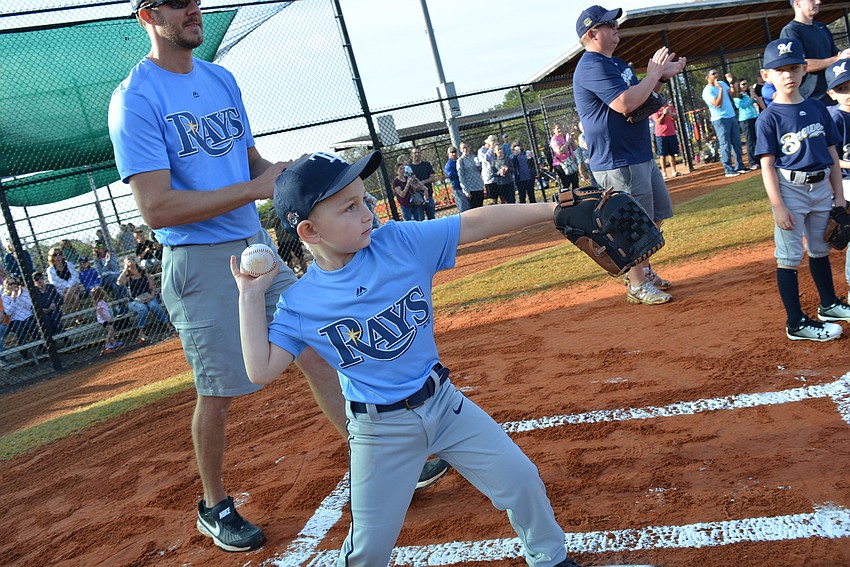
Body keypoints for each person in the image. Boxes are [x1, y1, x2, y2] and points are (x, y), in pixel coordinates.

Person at [108, 0, 448, 553]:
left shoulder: (220, 79)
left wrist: (292, 176)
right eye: (176, 3)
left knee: (316, 347)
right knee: (219, 389)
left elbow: (252, 167)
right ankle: (214, 505)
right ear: (148, 15)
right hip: (197, 258)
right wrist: (253, 190)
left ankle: (381, 460)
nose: (193, 9)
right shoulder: (135, 99)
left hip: (255, 247)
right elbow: (157, 208)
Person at [236, 150, 579, 567]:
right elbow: (260, 369)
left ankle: (551, 559)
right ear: (309, 231)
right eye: (349, 208)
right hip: (380, 433)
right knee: (369, 551)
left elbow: (475, 222)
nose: (367, 213)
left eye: (365, 200)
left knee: (521, 480)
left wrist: (554, 208)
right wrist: (251, 296)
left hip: (445, 404)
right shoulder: (301, 303)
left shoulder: (398, 243)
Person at [573, 4, 685, 305]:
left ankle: (643, 271)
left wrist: (660, 79)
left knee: (655, 216)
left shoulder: (615, 63)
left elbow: (642, 100)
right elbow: (624, 103)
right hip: (617, 159)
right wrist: (652, 75)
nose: (615, 28)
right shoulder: (591, 65)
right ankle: (636, 284)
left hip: (637, 153)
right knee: (630, 222)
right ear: (592, 33)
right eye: (609, 25)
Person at [755, 38, 850, 341]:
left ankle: (829, 304)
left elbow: (833, 155)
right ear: (766, 75)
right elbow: (767, 165)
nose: (788, 75)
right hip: (790, 189)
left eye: (794, 68)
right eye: (779, 69)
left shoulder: (818, 108)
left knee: (821, 249)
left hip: (822, 186)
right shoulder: (768, 118)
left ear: (805, 69)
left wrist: (838, 195)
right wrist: (778, 205)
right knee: (789, 256)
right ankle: (795, 322)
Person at [781, 0, 850, 105]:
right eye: (812, 0)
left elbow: (838, 56)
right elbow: (802, 64)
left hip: (835, 96)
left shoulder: (822, 28)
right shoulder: (791, 31)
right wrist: (837, 59)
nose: (818, 2)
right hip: (814, 100)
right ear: (797, 3)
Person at [826, 59, 850, 300]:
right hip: (845, 182)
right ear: (831, 94)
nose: (848, 93)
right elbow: (830, 157)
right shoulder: (836, 119)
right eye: (842, 89)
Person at [703, 68, 748, 178]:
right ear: (707, 77)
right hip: (720, 119)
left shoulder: (722, 83)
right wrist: (720, 90)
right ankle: (728, 169)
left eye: (717, 73)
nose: (716, 75)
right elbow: (717, 104)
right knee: (725, 144)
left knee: (736, 142)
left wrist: (731, 83)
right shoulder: (707, 91)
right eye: (713, 74)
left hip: (731, 116)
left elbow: (733, 95)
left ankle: (740, 166)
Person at [116, 257, 170, 343]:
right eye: (128, 261)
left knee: (153, 305)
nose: (130, 262)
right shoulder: (127, 276)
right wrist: (126, 268)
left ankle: (167, 325)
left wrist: (151, 296)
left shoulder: (143, 273)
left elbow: (152, 286)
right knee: (142, 309)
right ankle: (141, 332)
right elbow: (119, 283)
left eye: (132, 260)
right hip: (134, 300)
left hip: (148, 296)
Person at [2, 277, 38, 354]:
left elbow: (29, 305)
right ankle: (24, 354)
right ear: (7, 286)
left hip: (28, 315)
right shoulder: (4, 297)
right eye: (10, 284)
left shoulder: (24, 292)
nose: (13, 286)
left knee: (31, 326)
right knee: (20, 329)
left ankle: (42, 348)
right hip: (15, 319)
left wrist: (20, 296)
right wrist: (13, 299)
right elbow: (8, 312)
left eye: (15, 283)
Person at [734, 78, 761, 170]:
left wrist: (753, 94)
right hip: (745, 120)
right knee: (750, 141)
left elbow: (755, 101)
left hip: (754, 117)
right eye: (743, 84)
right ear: (738, 86)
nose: (745, 86)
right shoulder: (737, 97)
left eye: (746, 84)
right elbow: (743, 106)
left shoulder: (747, 94)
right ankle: (753, 162)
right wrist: (751, 97)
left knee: (757, 139)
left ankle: (759, 159)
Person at [46, 246, 82, 314]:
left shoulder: (69, 264)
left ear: (62, 255)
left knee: (70, 290)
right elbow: (54, 282)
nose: (58, 256)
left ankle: (64, 310)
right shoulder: (50, 270)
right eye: (55, 255)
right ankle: (78, 317)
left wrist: (68, 287)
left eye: (60, 254)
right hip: (61, 290)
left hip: (74, 286)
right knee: (75, 297)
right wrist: (67, 287)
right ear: (52, 257)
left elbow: (75, 276)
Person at [651, 101, 682, 178]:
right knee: (662, 155)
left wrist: (669, 113)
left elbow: (675, 117)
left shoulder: (670, 107)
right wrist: (664, 114)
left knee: (672, 153)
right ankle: (664, 173)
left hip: (671, 133)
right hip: (661, 135)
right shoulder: (655, 109)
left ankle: (674, 171)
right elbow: (658, 121)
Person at [91, 286, 124, 353]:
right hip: (104, 320)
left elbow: (105, 307)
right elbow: (100, 313)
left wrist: (109, 304)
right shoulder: (99, 303)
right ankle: (107, 344)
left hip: (107, 318)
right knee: (111, 330)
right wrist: (106, 318)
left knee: (111, 330)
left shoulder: (102, 301)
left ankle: (114, 343)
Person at [31, 271, 63, 337]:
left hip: (53, 309)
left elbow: (60, 299)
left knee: (54, 317)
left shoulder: (50, 287)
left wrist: (55, 304)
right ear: (34, 282)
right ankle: (57, 337)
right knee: (46, 319)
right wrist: (40, 309)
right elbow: (31, 306)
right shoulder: (33, 291)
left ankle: (59, 336)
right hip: (42, 312)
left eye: (41, 278)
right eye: (37, 279)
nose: (39, 281)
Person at [409, 147, 437, 220]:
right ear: (412, 154)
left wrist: (423, 182)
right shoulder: (409, 168)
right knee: (420, 219)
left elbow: (433, 178)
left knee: (432, 218)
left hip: (429, 195)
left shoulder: (426, 164)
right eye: (415, 153)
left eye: (418, 152)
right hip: (417, 197)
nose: (417, 154)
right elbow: (410, 182)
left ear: (421, 153)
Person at [549, 123, 579, 189]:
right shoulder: (554, 140)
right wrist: (567, 142)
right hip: (561, 164)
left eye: (561, 127)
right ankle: (567, 198)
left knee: (575, 182)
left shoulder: (566, 136)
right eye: (558, 128)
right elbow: (560, 151)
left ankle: (577, 198)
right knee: (566, 184)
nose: (560, 129)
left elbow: (575, 148)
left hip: (571, 161)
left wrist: (572, 141)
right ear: (554, 130)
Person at [457, 141, 484, 208]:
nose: (465, 149)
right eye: (463, 148)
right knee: (473, 208)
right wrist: (466, 190)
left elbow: (480, 170)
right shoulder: (461, 160)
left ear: (469, 147)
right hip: (470, 187)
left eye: (467, 147)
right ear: (460, 149)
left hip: (479, 186)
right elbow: (461, 176)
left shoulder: (475, 157)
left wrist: (479, 165)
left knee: (480, 206)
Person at [443, 146, 469, 212]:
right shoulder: (449, 164)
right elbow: (451, 175)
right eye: (452, 153)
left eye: (454, 152)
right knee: (463, 208)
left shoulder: (460, 160)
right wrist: (461, 173)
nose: (454, 154)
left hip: (467, 185)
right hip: (458, 187)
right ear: (448, 154)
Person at [478, 135, 498, 202]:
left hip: (497, 175)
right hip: (488, 176)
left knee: (502, 195)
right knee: (494, 197)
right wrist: (491, 148)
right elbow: (486, 159)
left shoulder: (495, 149)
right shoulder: (481, 150)